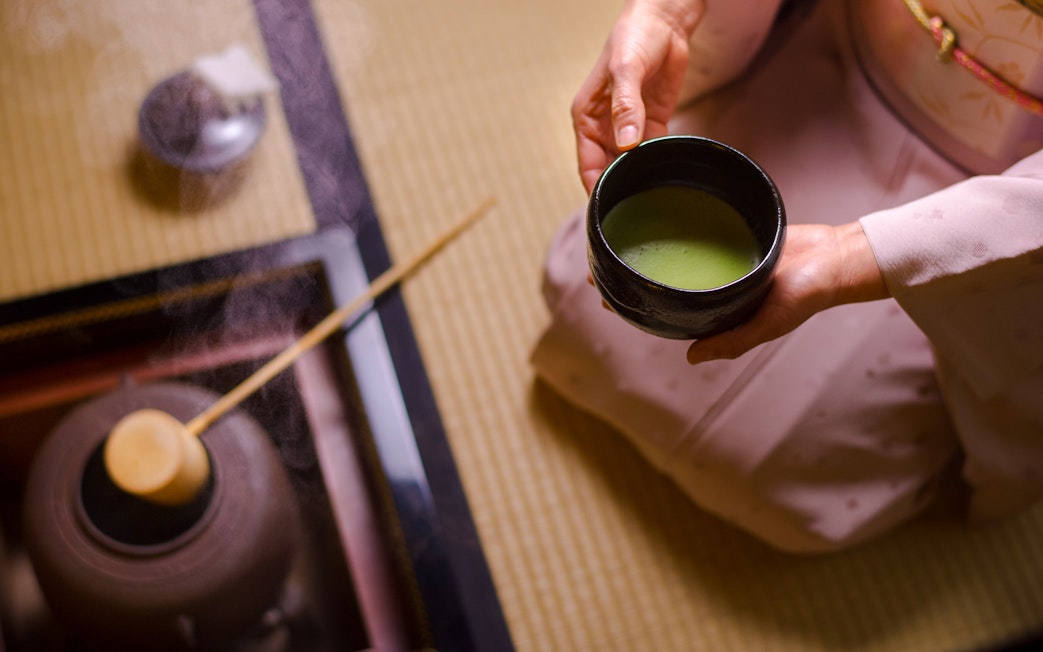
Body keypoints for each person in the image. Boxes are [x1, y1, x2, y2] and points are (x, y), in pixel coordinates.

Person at [531, 0, 1043, 552]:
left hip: (1007, 199)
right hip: (841, 75)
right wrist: (672, 13)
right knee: (581, 289)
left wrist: (861, 255)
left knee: (782, 472)